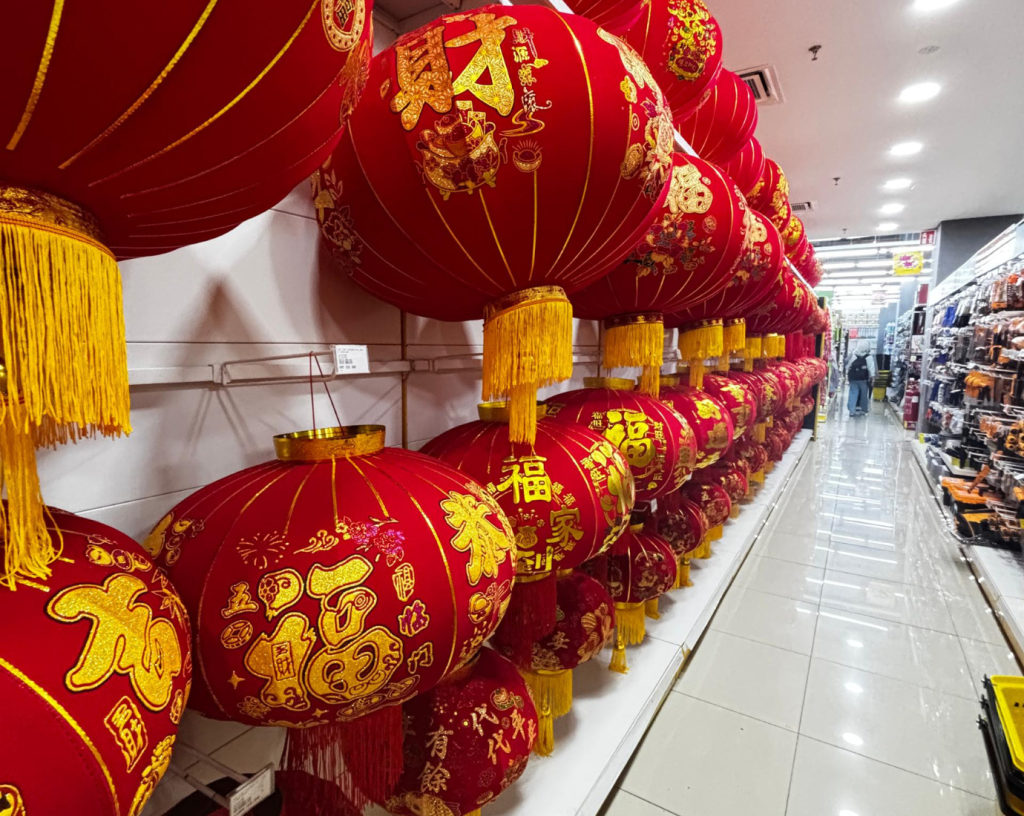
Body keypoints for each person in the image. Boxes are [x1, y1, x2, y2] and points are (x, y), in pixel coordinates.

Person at [846, 340, 876, 417]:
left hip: (853, 378)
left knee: (853, 393)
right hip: (863, 379)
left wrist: (847, 376)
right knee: (864, 394)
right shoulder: (868, 357)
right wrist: (873, 378)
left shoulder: (854, 355)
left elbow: (848, 366)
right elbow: (871, 369)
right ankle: (863, 410)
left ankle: (851, 411)